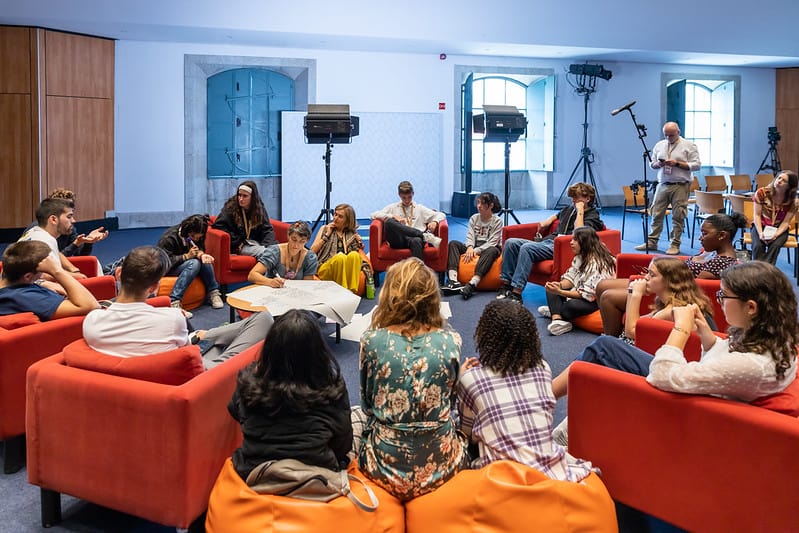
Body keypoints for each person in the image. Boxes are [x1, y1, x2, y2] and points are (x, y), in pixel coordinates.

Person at [551, 261, 798, 404]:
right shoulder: (777, 339)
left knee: (604, 347)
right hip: (701, 390)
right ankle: (553, 401)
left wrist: (680, 330)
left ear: (751, 307)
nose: (720, 301)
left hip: (688, 404)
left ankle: (545, 399)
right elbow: (725, 356)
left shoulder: (751, 366)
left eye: (724, 295)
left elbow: (663, 375)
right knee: (605, 347)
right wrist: (706, 335)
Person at [355, 257, 468, 501]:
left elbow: (367, 405)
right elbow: (450, 402)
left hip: (383, 466)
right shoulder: (452, 341)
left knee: (354, 418)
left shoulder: (371, 341)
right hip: (442, 465)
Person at [457, 300, 594, 482]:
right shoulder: (542, 368)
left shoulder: (471, 379)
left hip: (502, 480)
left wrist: (459, 382)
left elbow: (466, 433)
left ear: (484, 336)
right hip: (551, 474)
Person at [83, 246, 273, 368]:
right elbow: (189, 355)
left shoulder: (92, 321)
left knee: (207, 337)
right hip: (201, 378)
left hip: (152, 377)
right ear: (155, 287)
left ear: (118, 273)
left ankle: (208, 334)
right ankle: (211, 336)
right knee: (263, 319)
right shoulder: (172, 319)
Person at [227, 308, 352, 480]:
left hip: (254, 475)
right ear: (319, 350)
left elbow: (234, 411)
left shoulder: (249, 382)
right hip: (316, 480)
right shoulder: (331, 387)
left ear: (270, 346)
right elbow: (343, 443)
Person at [597, 213, 746, 337]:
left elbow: (690, 284)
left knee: (608, 296)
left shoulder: (721, 262)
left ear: (722, 235)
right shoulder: (710, 253)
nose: (700, 238)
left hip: (671, 289)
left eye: (704, 234)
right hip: (665, 281)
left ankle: (611, 337)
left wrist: (655, 277)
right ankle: (608, 330)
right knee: (603, 285)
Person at [498, 182, 603, 303]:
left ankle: (516, 293)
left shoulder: (593, 216)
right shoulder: (569, 209)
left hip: (563, 246)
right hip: (548, 241)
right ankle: (506, 285)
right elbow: (558, 215)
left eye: (576, 197)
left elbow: (580, 232)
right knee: (510, 243)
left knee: (527, 248)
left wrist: (580, 211)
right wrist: (548, 221)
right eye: (572, 197)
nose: (573, 201)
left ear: (587, 199)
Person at [635, 121, 701, 255]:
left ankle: (675, 244)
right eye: (666, 135)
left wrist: (677, 163)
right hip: (663, 184)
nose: (668, 138)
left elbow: (697, 165)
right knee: (656, 213)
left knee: (678, 215)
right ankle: (652, 241)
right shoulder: (660, 145)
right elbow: (652, 163)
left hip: (681, 185)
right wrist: (656, 165)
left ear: (678, 132)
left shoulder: (689, 145)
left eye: (671, 135)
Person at [538, 226, 616, 336]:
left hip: (595, 300)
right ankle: (557, 319)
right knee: (551, 288)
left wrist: (560, 292)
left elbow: (587, 295)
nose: (571, 242)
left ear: (585, 242)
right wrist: (559, 286)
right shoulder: (581, 256)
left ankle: (556, 311)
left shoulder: (598, 264)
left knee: (570, 306)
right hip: (580, 291)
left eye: (575, 240)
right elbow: (571, 277)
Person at [0, 241, 100, 321]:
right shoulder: (26, 298)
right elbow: (92, 306)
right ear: (27, 276)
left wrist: (40, 282)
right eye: (43, 271)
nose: (43, 275)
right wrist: (56, 271)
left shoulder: (10, 282)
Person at [157, 214, 224, 315]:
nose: (196, 239)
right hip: (168, 268)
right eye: (192, 237)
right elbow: (163, 262)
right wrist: (186, 256)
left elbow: (200, 248)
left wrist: (201, 254)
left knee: (204, 260)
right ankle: (174, 300)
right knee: (194, 263)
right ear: (186, 232)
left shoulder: (199, 235)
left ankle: (213, 292)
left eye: (199, 237)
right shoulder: (169, 238)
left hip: (186, 264)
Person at [441, 192, 503, 300]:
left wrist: (475, 251)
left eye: (482, 203)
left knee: (492, 250)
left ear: (491, 205)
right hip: (473, 246)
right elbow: (470, 236)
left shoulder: (497, 221)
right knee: (453, 244)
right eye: (478, 203)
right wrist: (470, 247)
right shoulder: (474, 218)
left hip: (489, 248)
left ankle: (473, 283)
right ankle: (453, 281)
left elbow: (492, 242)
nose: (479, 206)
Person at [18, 198, 89, 285]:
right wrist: (76, 276)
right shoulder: (46, 241)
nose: (73, 221)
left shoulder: (33, 232)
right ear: (53, 219)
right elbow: (45, 276)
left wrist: (73, 270)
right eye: (69, 217)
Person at [370, 180, 445, 260]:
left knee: (416, 241)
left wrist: (435, 222)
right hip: (399, 240)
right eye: (404, 197)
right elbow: (373, 215)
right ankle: (424, 235)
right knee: (389, 222)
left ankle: (418, 268)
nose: (407, 200)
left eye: (409, 197)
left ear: (413, 194)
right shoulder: (393, 207)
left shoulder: (420, 208)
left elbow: (441, 214)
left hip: (415, 239)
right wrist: (393, 216)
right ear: (399, 195)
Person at [310, 203, 369, 293]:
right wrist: (326, 236)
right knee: (340, 257)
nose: (335, 218)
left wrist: (359, 243)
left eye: (340, 216)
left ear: (347, 221)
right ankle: (343, 292)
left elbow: (356, 256)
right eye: (335, 214)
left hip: (344, 269)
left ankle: (352, 291)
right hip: (326, 268)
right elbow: (312, 251)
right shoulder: (325, 228)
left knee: (354, 255)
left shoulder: (351, 233)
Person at [212, 181, 277, 258]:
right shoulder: (231, 208)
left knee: (275, 252)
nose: (241, 199)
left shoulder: (259, 208)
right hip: (241, 245)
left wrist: (269, 245)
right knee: (267, 253)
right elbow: (219, 225)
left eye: (245, 196)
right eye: (239, 195)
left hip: (256, 242)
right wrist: (237, 241)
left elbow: (267, 229)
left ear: (252, 198)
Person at [247, 221, 318, 287]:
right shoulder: (274, 252)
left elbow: (307, 284)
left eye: (302, 241)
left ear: (307, 241)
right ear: (288, 236)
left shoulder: (310, 258)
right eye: (294, 240)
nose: (296, 245)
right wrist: (270, 282)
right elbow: (252, 275)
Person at [42, 188, 109, 257]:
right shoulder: (41, 234)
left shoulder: (69, 228)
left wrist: (88, 241)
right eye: (69, 216)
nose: (73, 220)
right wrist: (75, 244)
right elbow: (54, 259)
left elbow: (80, 255)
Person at [751, 170, 799, 264]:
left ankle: (766, 269)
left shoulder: (793, 201)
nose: (779, 181)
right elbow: (757, 215)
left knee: (775, 245)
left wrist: (776, 235)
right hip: (760, 225)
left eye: (784, 181)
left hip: (779, 228)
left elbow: (786, 222)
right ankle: (760, 269)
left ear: (789, 186)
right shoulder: (762, 193)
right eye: (779, 178)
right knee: (758, 246)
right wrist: (760, 233)